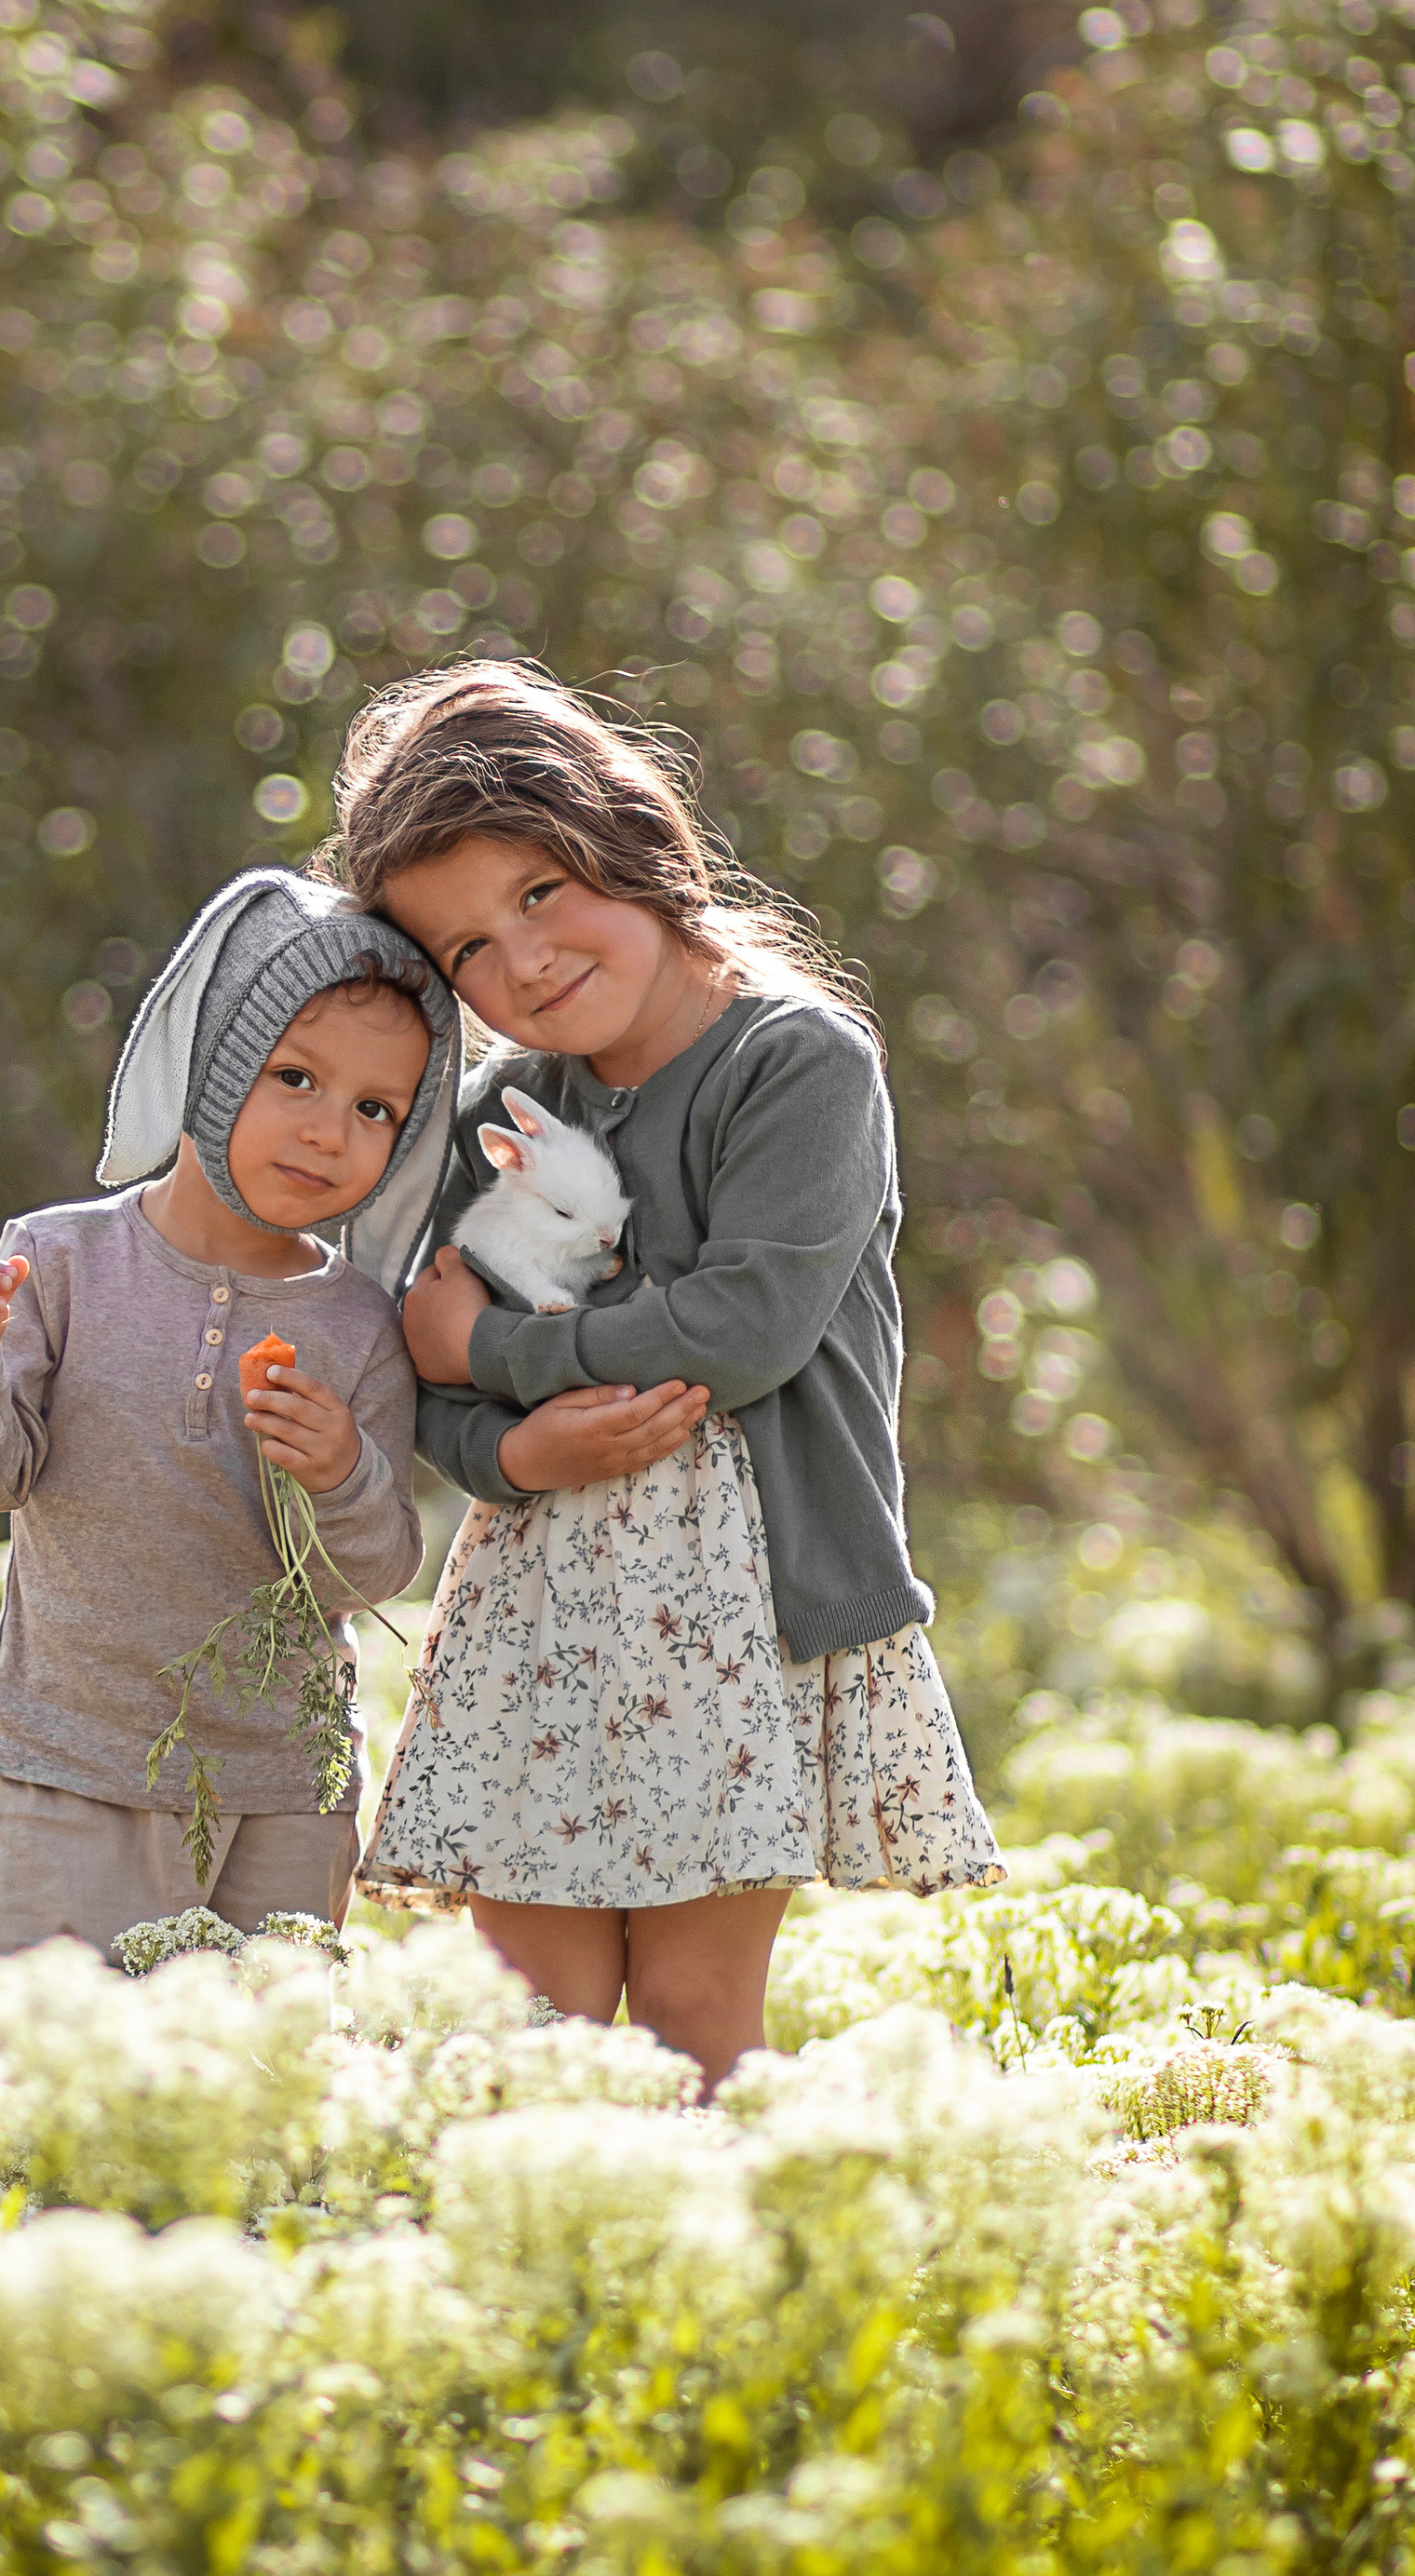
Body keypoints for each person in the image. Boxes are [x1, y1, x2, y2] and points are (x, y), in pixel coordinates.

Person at [329, 660, 1001, 2092]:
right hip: (541, 1611)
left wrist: (504, 1354)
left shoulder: (796, 1063)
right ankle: (559, 2304)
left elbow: (741, 1328)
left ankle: (731, 2305)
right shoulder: (502, 1111)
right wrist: (515, 1450)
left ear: (628, 839)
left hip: (738, 1623)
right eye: (464, 953)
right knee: (534, 2025)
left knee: (697, 2010)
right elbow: (422, 1370)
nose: (521, 964)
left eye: (538, 894)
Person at [0, 867, 460, 1966]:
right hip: (78, 1760)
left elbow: (375, 1572)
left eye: (373, 1111)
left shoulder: (358, 1322)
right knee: (59, 2083)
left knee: (253, 2094)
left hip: (287, 1787)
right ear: (211, 1070)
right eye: (293, 1077)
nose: (326, 1132)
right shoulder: (58, 1260)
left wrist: (340, 1473)